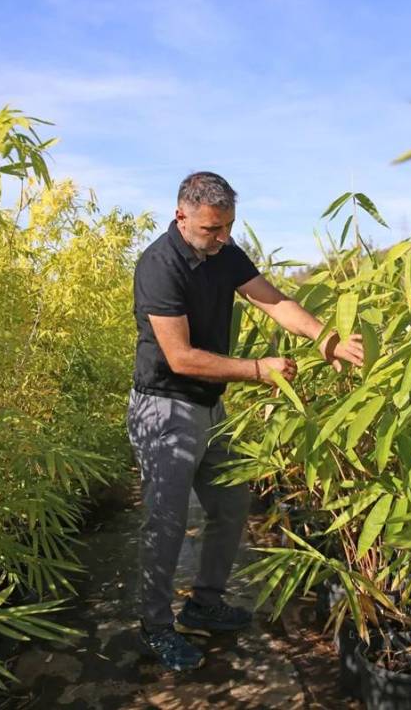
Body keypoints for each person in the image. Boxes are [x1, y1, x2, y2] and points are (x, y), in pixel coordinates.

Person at [128, 171, 364, 671]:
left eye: (229, 226)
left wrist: (328, 339)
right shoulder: (159, 265)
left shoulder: (224, 252)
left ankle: (205, 602)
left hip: (211, 407)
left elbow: (273, 300)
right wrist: (259, 370)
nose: (223, 238)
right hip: (164, 406)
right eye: (213, 229)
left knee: (232, 503)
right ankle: (154, 626)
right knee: (166, 524)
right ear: (182, 216)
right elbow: (181, 357)